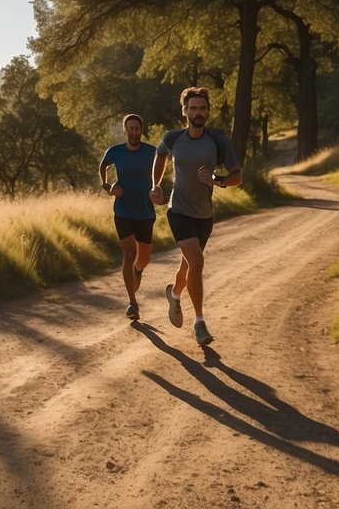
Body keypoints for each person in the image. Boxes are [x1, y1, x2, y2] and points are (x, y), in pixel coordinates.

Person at [150, 87, 242, 346]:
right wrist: (155, 185)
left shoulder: (217, 140)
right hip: (177, 209)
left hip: (204, 214)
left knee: (189, 265)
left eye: (202, 108)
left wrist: (218, 180)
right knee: (197, 261)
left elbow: (237, 175)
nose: (198, 113)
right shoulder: (173, 137)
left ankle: (175, 294)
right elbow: (160, 155)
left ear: (207, 111)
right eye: (193, 108)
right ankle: (199, 323)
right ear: (185, 111)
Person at [99, 113, 157, 321]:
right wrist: (107, 187)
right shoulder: (116, 151)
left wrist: (157, 188)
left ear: (141, 130)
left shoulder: (151, 152)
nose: (133, 132)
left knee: (144, 258)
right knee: (129, 254)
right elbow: (103, 165)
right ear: (125, 130)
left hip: (145, 211)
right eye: (130, 128)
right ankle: (133, 303)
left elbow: (162, 167)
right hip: (123, 211)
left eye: (137, 128)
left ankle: (138, 271)